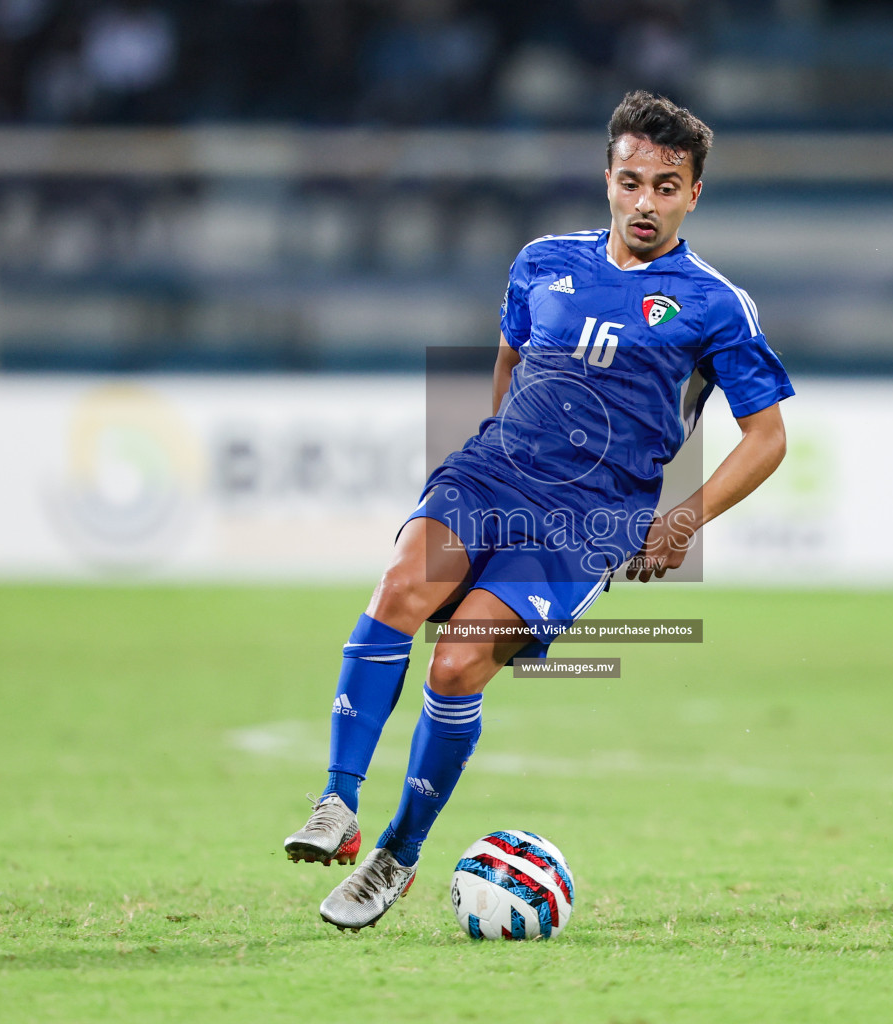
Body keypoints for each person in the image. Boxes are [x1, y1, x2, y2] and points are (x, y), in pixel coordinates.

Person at [283, 91, 793, 930]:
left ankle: (397, 857)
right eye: (631, 181)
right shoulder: (542, 261)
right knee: (402, 586)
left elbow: (767, 437)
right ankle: (337, 805)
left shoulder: (712, 305)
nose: (645, 202)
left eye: (666, 187)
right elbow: (511, 361)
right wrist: (486, 452)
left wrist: (684, 519)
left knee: (454, 668)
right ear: (607, 180)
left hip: (586, 520)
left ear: (693, 194)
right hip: (490, 475)